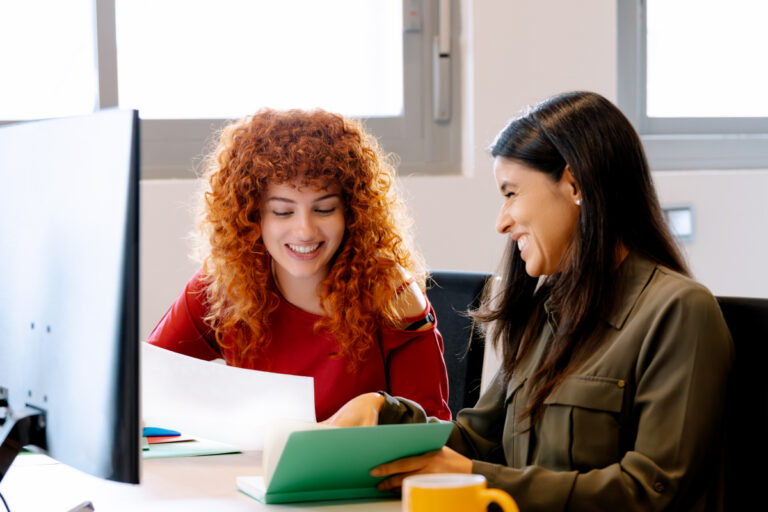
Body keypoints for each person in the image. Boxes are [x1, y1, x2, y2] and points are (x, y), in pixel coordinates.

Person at [325, 91, 733, 511]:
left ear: (574, 184)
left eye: (511, 193)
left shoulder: (679, 312)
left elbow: (653, 492)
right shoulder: (547, 310)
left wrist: (478, 477)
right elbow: (477, 441)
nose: (501, 222)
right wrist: (383, 411)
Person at [148, 108, 451, 422]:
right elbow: (144, 381)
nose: (305, 230)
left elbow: (431, 430)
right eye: (283, 212)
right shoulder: (223, 285)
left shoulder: (391, 293)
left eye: (324, 209)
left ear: (350, 212)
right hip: (252, 456)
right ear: (253, 216)